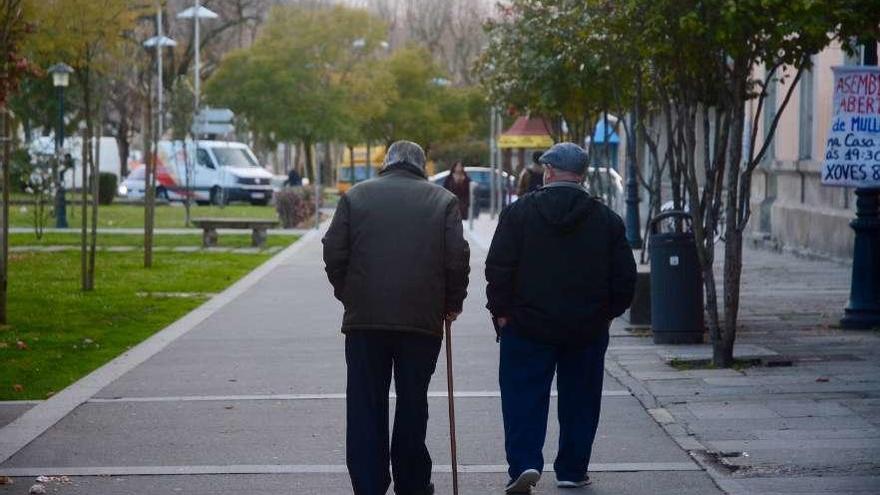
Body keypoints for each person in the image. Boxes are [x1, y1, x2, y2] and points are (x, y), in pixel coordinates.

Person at [486, 142, 636, 493]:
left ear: (548, 172)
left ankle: (523, 464)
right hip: (585, 327)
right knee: (581, 400)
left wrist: (502, 312)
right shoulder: (606, 220)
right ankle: (572, 468)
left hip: (526, 324)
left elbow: (499, 268)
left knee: (523, 395)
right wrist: (607, 313)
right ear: (582, 176)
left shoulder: (519, 213)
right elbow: (625, 278)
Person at [323, 140, 470, 495]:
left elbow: (333, 251)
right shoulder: (443, 201)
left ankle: (369, 483)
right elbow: (456, 259)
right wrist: (451, 303)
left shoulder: (355, 197)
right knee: (412, 401)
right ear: (421, 166)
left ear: (387, 163)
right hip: (421, 321)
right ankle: (413, 482)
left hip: (365, 320)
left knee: (365, 403)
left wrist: (349, 293)